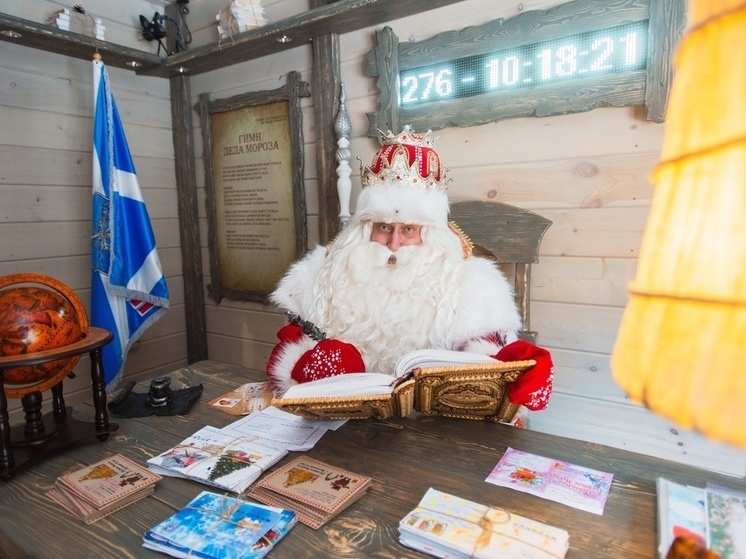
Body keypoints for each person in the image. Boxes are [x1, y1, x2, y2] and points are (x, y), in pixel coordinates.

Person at [265, 126, 553, 415]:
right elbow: (290, 351)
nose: (394, 243)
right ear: (366, 227)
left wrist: (511, 368)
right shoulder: (321, 274)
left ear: (429, 233)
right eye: (384, 227)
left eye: (409, 229)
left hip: (429, 426)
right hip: (343, 420)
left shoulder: (473, 283)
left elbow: (489, 358)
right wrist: (308, 365)